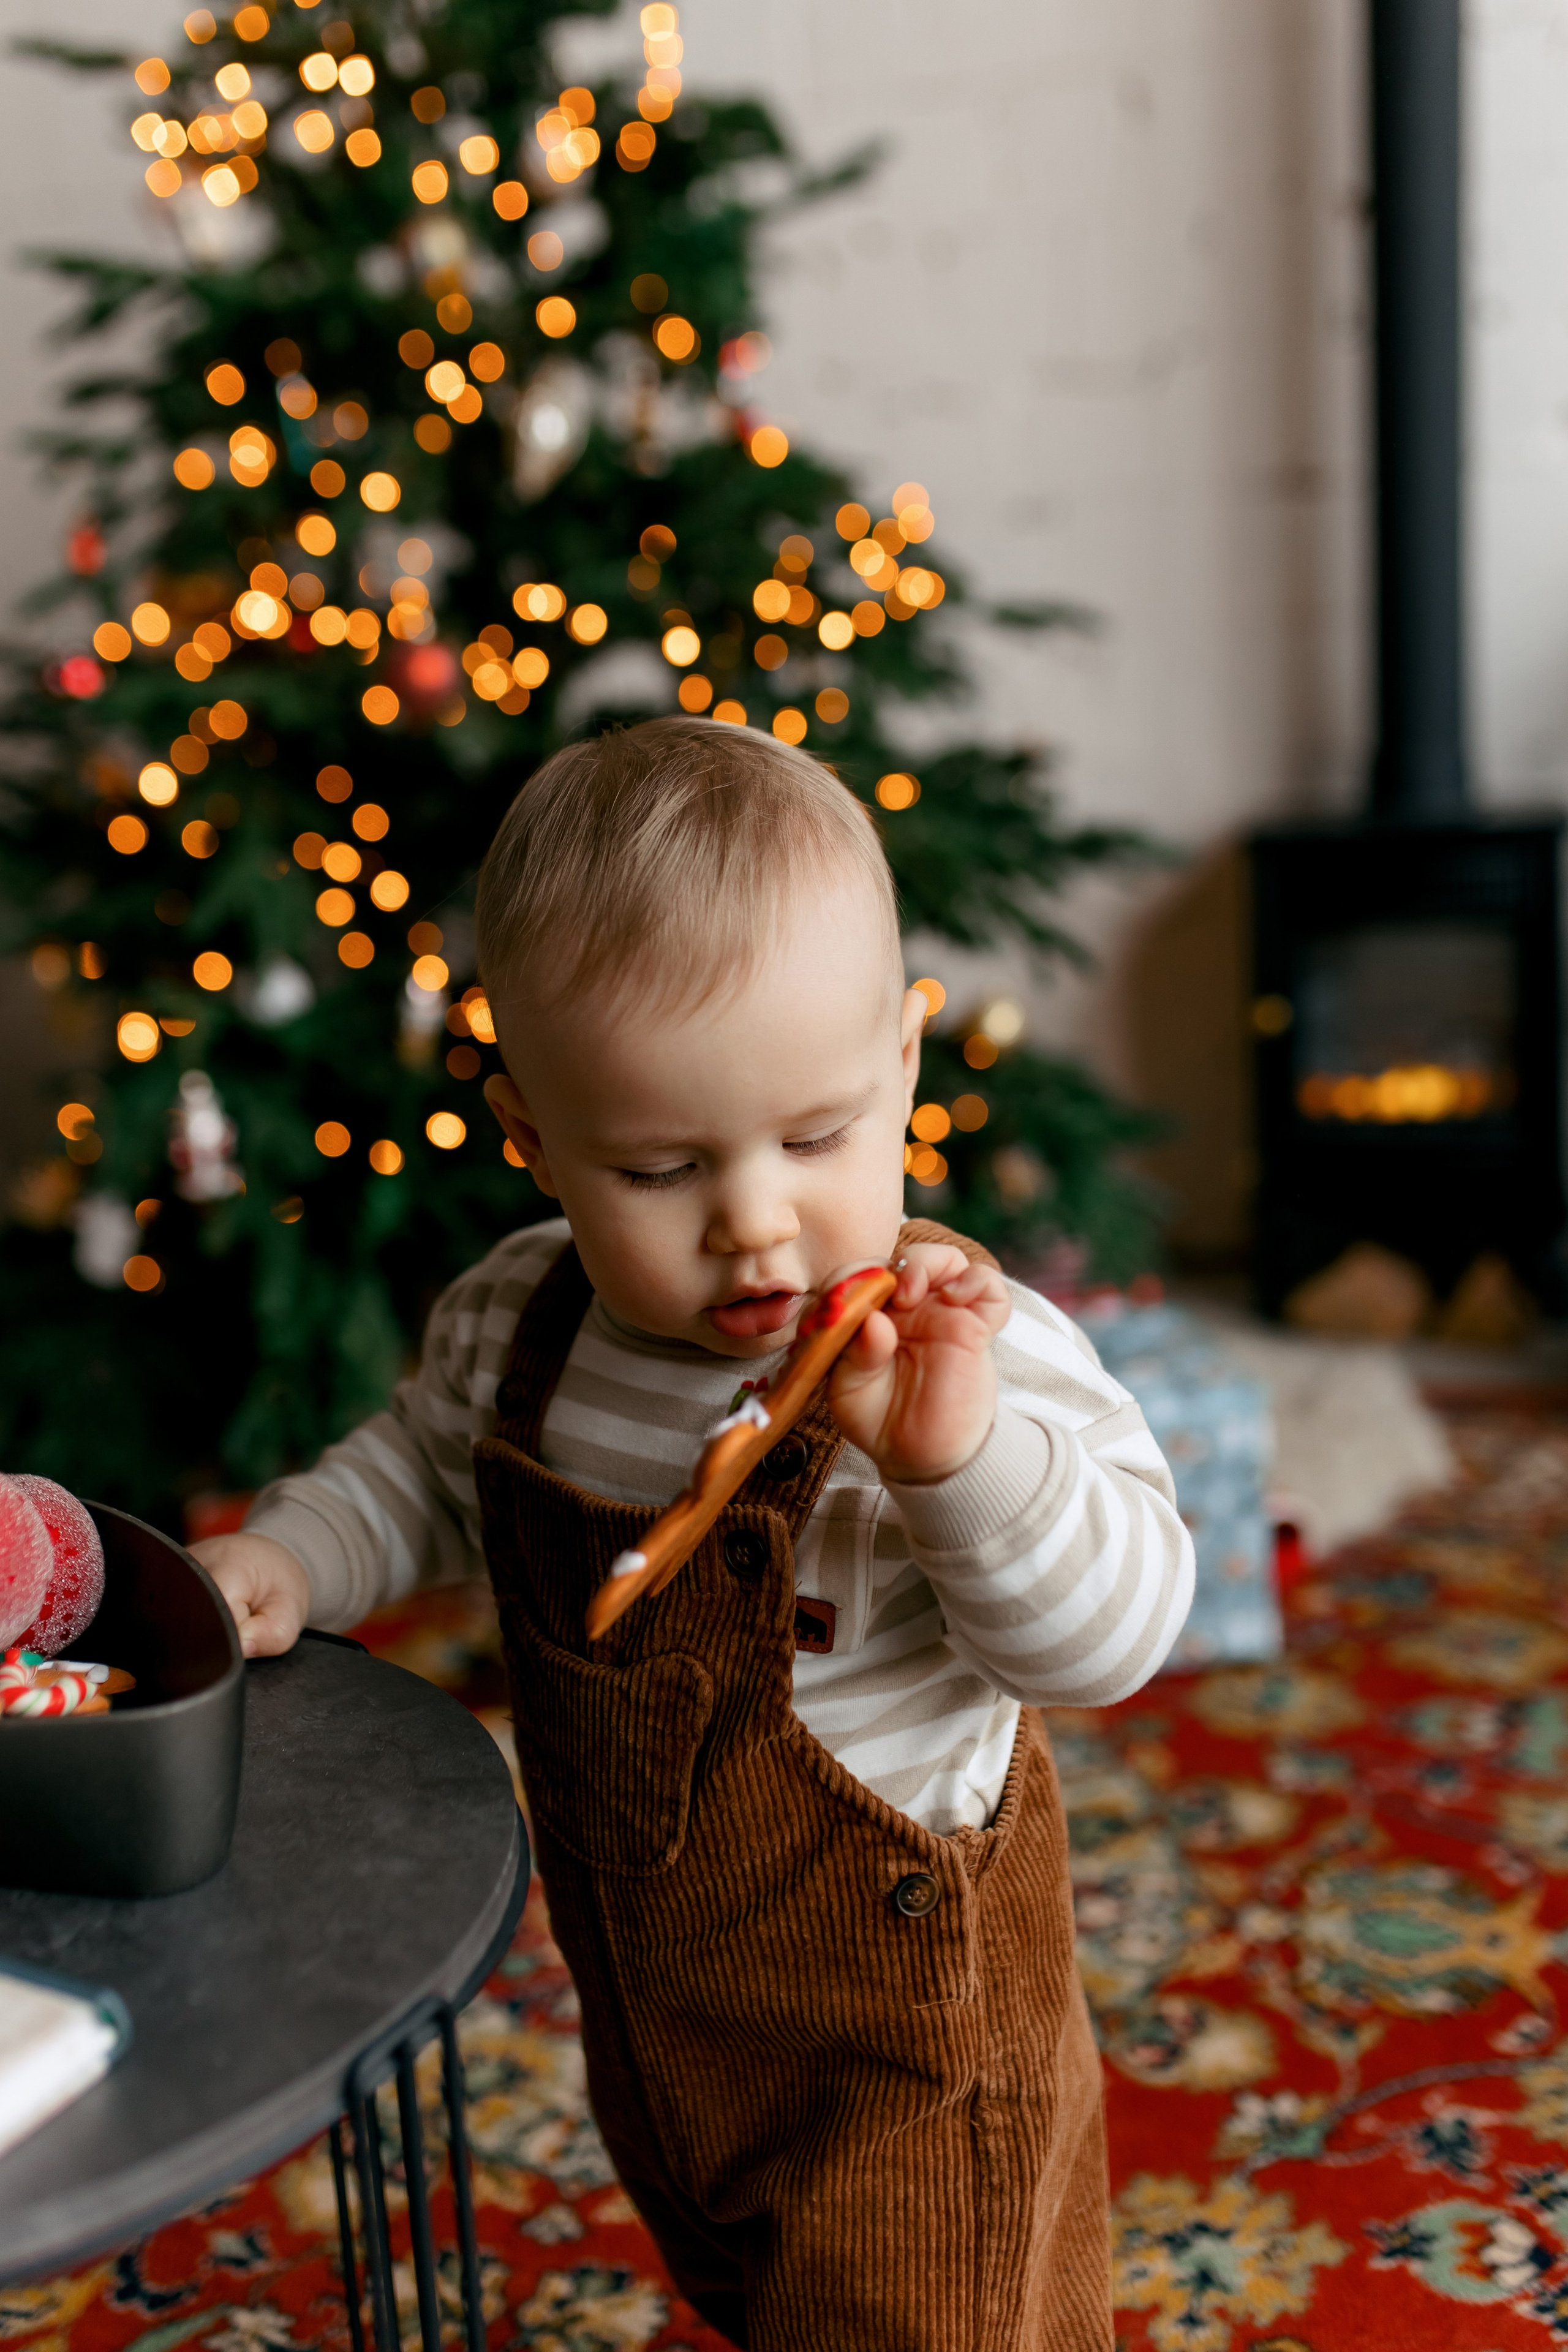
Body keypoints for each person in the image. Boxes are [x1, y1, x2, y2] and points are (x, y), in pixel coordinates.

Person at [195, 715, 1193, 2351]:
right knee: (749, 2293)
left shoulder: (969, 1358)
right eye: (659, 1166)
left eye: (815, 1139)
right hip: (664, 2011)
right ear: (530, 1137)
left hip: (910, 2051)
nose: (753, 1217)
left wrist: (963, 1469)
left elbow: (1113, 1637)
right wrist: (297, 1557)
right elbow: (423, 1473)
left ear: (904, 1075)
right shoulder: (522, 1319)